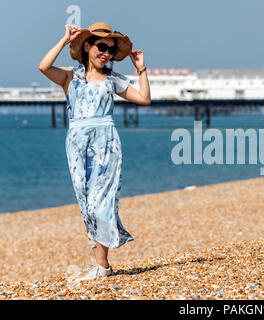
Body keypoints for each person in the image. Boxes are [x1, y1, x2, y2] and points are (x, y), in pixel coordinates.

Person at [38, 22, 151, 280]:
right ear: (87, 46)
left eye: (111, 50)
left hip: (106, 143)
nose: (107, 54)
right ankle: (101, 265)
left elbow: (144, 99)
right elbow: (43, 67)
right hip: (77, 143)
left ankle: (102, 266)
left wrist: (141, 69)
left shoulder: (113, 79)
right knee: (87, 205)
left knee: (102, 202)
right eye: (102, 47)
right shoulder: (70, 76)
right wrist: (64, 40)